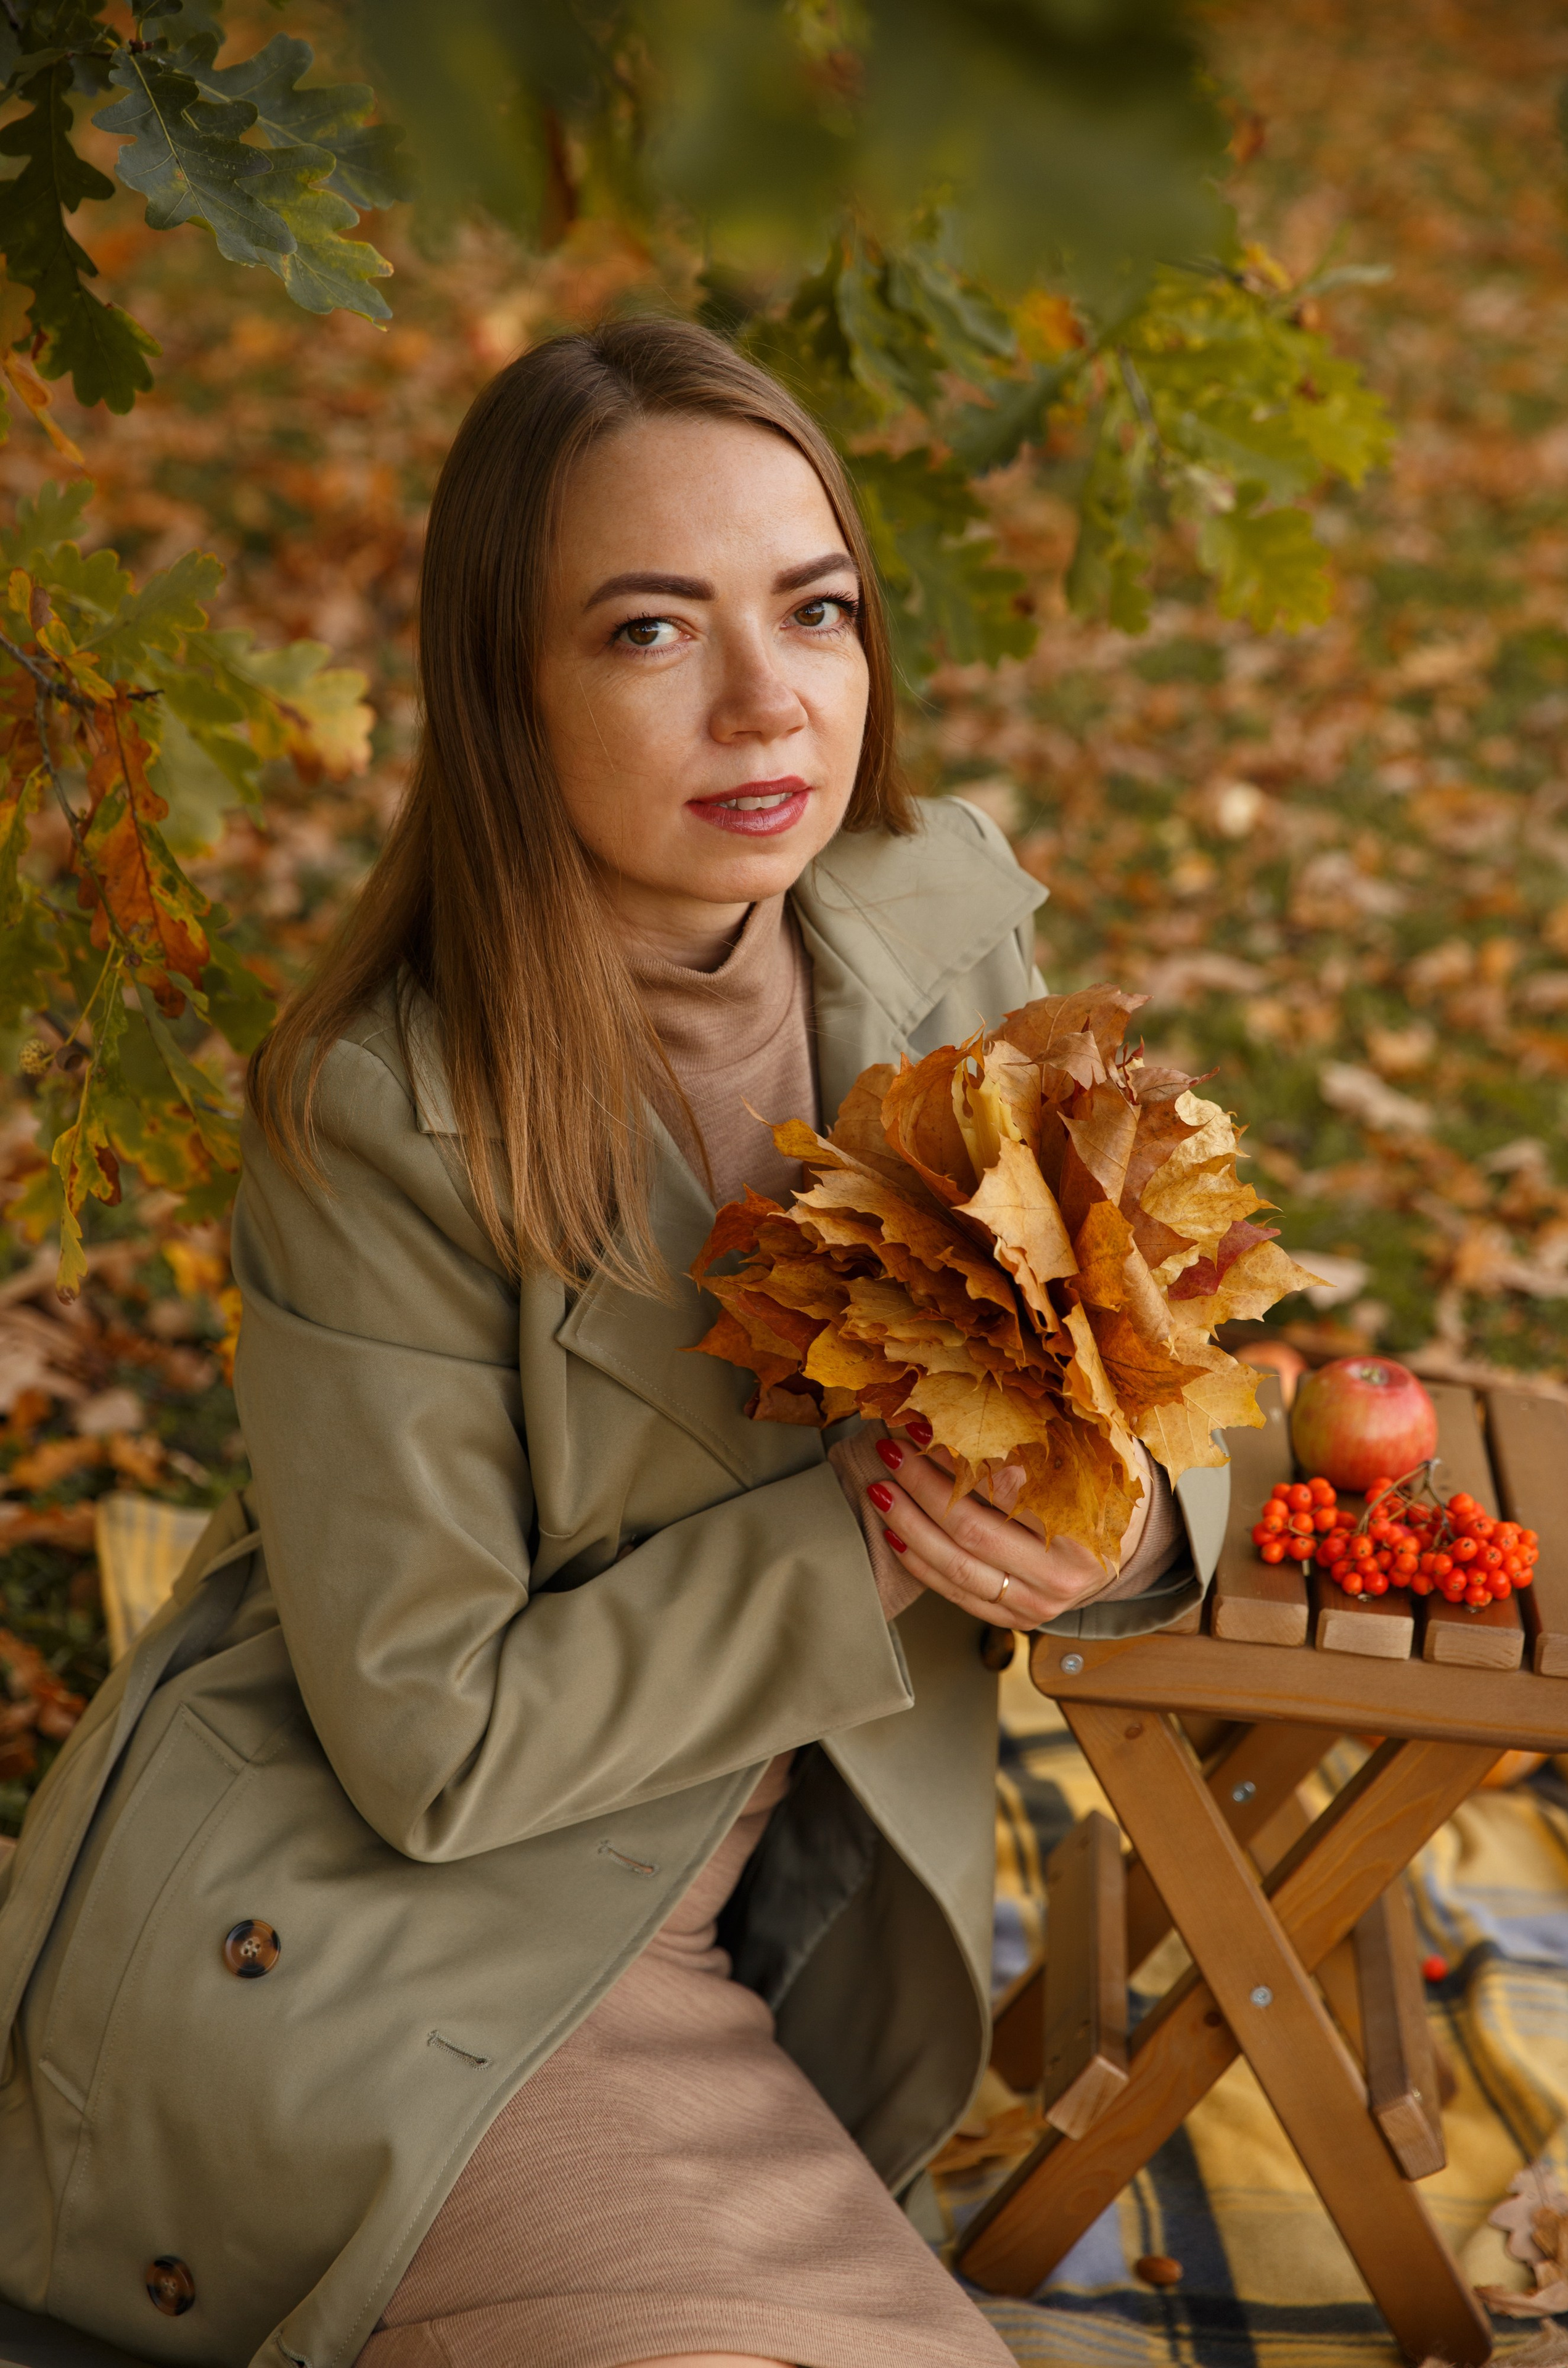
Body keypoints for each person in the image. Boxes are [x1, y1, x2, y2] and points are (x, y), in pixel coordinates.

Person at [0, 318, 1209, 2368]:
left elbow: (1145, 1356)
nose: (768, 704)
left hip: (758, 1923)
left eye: (812, 611)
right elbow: (435, 1744)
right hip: (414, 1958)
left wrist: (1125, 1525)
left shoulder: (926, 926)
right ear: (507, 690)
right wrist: (872, 1538)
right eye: (652, 633)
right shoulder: (390, 1114)